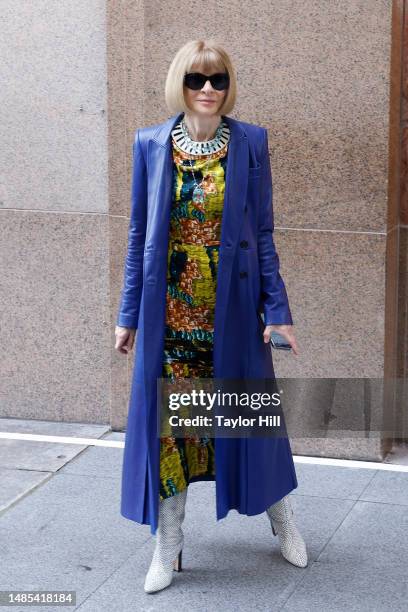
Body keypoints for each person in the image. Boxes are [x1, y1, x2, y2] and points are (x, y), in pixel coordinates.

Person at [115, 39, 308, 594]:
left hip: (233, 317)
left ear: (228, 85)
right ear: (181, 82)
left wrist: (278, 309)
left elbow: (263, 235)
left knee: (251, 426)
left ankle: (284, 524)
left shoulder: (250, 143)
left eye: (218, 79)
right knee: (172, 436)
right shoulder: (150, 145)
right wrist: (128, 313)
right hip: (170, 320)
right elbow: (138, 238)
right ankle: (168, 546)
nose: (207, 89)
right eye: (197, 79)